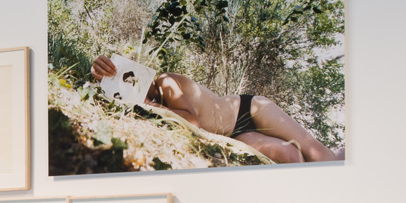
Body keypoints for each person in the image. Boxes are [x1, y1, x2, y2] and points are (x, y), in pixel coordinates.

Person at [89, 55, 342, 163]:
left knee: (313, 150)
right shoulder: (150, 111)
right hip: (234, 134)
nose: (132, 88)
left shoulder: (166, 81)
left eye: (130, 81)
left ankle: (344, 167)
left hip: (249, 109)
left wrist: (146, 103)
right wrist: (100, 77)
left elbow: (191, 121)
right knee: (291, 156)